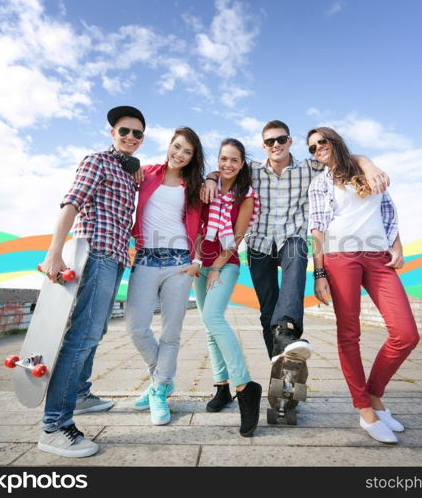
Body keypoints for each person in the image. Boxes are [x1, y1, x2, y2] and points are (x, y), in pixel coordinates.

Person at [203, 120, 390, 360]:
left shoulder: (308, 167)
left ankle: (288, 330)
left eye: (281, 139)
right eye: (270, 141)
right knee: (267, 310)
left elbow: (343, 159)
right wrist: (210, 177)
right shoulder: (253, 170)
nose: (276, 145)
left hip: (292, 238)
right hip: (259, 244)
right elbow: (228, 168)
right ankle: (279, 365)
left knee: (297, 254)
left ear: (289, 141)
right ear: (264, 145)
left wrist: (369, 165)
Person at [38, 105, 145, 458]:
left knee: (95, 332)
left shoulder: (130, 171)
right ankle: (54, 425)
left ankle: (80, 395)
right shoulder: (97, 161)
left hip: (114, 259)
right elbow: (71, 202)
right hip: (95, 253)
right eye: (124, 131)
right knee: (81, 335)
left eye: (137, 133)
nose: (130, 137)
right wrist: (54, 252)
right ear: (112, 133)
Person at [308, 127, 419, 444]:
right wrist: (319, 274)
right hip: (339, 257)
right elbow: (317, 231)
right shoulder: (320, 184)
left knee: (406, 334)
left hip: (378, 257)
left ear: (336, 142)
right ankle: (365, 408)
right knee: (349, 334)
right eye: (313, 148)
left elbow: (389, 212)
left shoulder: (369, 171)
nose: (318, 150)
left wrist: (397, 245)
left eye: (322, 143)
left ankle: (374, 393)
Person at [125, 127, 204, 426]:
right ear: (169, 145)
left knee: (171, 333)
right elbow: (125, 168)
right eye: (177, 147)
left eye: (187, 151)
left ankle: (159, 391)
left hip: (180, 263)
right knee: (136, 328)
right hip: (145, 258)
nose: (180, 154)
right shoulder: (146, 174)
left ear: (193, 158)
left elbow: (202, 226)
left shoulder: (195, 186)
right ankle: (164, 377)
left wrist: (197, 260)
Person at [194, 138, 263, 437]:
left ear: (242, 163)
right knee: (209, 328)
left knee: (213, 318)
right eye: (223, 159)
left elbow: (236, 238)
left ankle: (245, 386)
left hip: (226, 262)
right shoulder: (207, 185)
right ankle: (221, 388)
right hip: (199, 263)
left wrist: (218, 267)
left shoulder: (246, 194)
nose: (228, 165)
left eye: (234, 160)